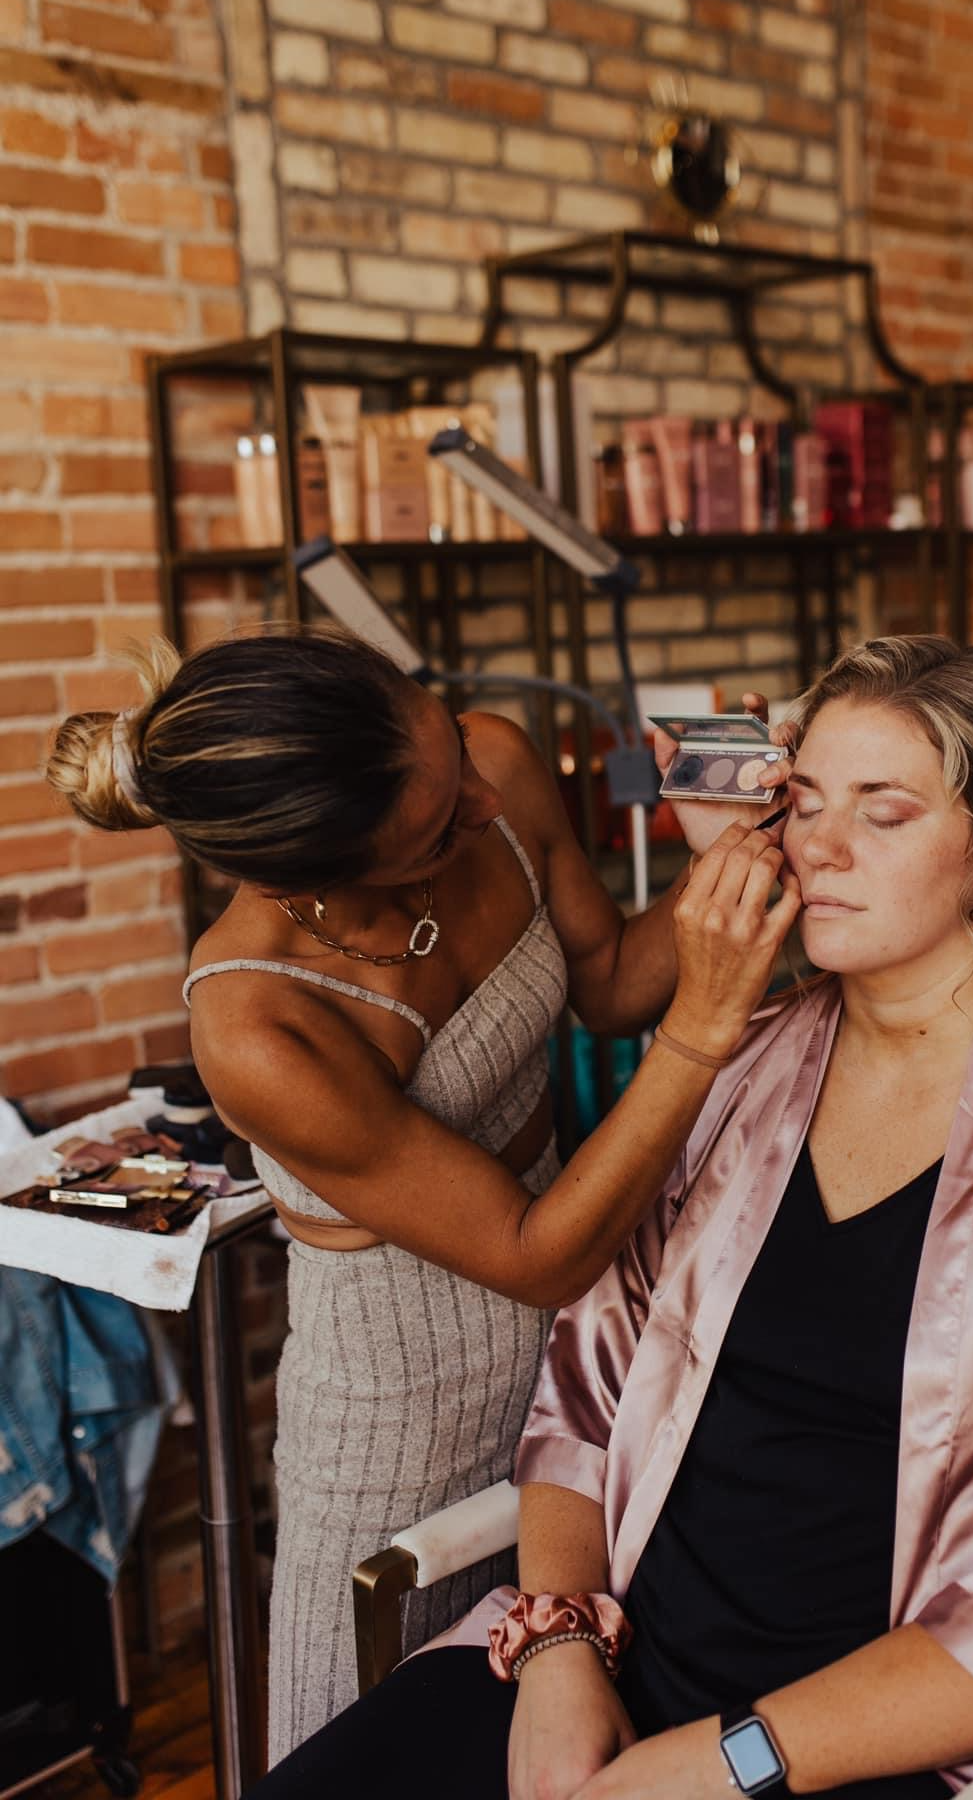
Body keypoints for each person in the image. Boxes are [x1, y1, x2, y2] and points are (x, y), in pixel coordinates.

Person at [250, 634, 973, 1800]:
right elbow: (584, 1391)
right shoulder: (748, 1065)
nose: (819, 849)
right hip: (624, 1653)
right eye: (804, 801)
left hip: (893, 1738)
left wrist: (728, 1757)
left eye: (883, 814)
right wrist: (562, 1642)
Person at [46, 626, 798, 1760]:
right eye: (440, 828)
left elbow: (606, 984)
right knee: (380, 1753)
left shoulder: (485, 762)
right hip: (400, 1424)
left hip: (587, 1359)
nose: (487, 805)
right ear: (310, 877)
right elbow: (534, 1245)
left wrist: (737, 855)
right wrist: (704, 1027)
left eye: (455, 755)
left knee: (593, 1727)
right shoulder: (256, 1020)